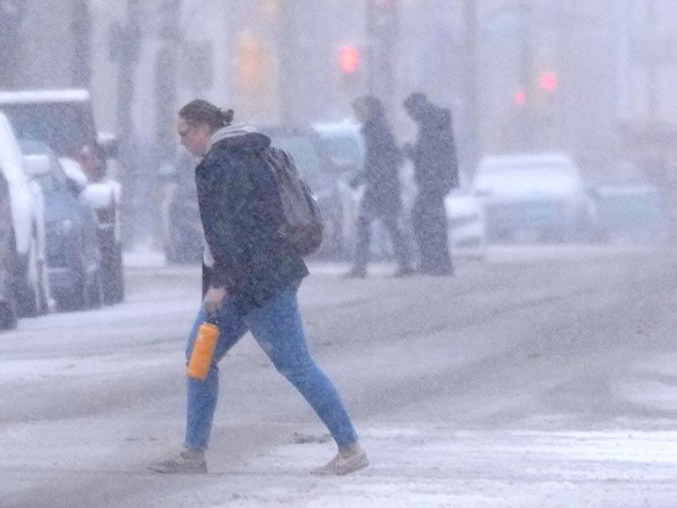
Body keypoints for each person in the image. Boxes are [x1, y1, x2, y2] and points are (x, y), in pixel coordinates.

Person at [149, 100, 368, 476]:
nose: (182, 141)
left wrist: (222, 284)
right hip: (250, 279)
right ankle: (193, 452)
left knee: (297, 365)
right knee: (199, 357)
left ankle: (350, 447)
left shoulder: (224, 164)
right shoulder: (247, 152)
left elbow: (235, 233)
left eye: (184, 133)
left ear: (202, 128)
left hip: (260, 284)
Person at [346, 96, 412, 278]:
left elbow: (377, 161)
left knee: (368, 223)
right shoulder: (377, 128)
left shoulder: (376, 130)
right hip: (384, 184)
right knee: (387, 223)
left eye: (361, 110)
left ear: (371, 110)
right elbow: (386, 158)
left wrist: (361, 178)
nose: (358, 114)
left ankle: (361, 267)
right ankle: (404, 263)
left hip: (381, 186)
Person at [402, 92, 458, 276]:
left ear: (417, 107)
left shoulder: (431, 122)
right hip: (436, 180)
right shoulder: (435, 120)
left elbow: (431, 154)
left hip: (433, 181)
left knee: (424, 220)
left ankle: (434, 262)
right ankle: (438, 262)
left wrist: (412, 153)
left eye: (410, 112)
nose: (411, 117)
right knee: (432, 221)